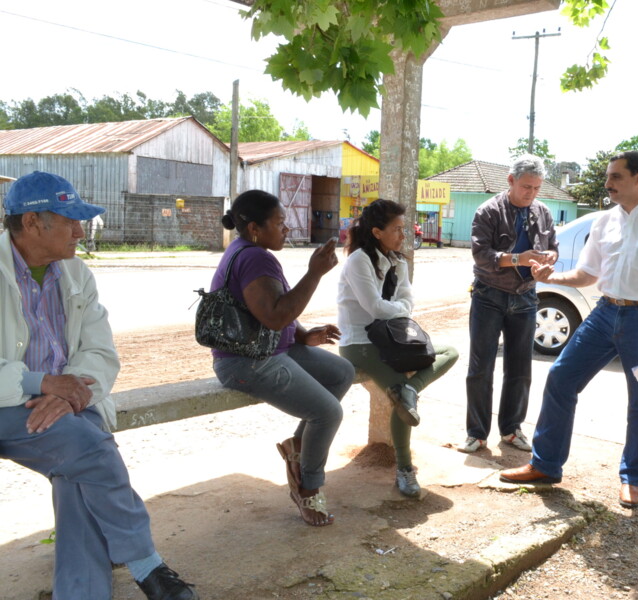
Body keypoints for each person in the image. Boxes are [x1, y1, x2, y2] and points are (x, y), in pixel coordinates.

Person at [0, 171, 197, 600]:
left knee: (77, 474)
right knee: (89, 448)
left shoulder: (76, 273)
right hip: (7, 405)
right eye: (69, 219)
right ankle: (148, 566)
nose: (79, 230)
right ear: (32, 223)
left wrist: (67, 394)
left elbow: (101, 353)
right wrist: (42, 382)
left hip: (62, 405)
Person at [500, 151, 638, 509]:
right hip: (605, 312)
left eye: (616, 177)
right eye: (609, 177)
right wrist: (553, 277)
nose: (608, 184)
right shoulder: (605, 221)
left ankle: (635, 478)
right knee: (561, 377)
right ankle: (546, 465)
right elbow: (588, 275)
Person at [209, 189, 355, 527]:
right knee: (327, 412)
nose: (286, 228)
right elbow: (274, 316)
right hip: (245, 361)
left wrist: (301, 335)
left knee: (341, 372)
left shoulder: (246, 250)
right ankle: (307, 486)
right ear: (256, 228)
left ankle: (298, 450)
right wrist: (315, 273)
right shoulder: (255, 257)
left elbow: (266, 306)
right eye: (279, 223)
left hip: (271, 348)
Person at [336, 199, 459, 497]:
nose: (404, 235)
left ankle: (410, 389)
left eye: (404, 229)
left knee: (449, 352)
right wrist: (400, 308)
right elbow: (376, 308)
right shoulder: (359, 261)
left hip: (390, 338)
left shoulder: (396, 260)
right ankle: (404, 470)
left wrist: (400, 308)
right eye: (398, 229)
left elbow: (407, 300)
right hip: (360, 342)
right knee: (402, 403)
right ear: (377, 232)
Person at [459, 154, 559, 454]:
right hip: (489, 295)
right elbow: (481, 256)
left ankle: (512, 429)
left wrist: (549, 259)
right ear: (511, 181)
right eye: (527, 186)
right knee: (481, 367)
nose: (531, 193)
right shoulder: (488, 211)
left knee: (520, 368)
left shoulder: (542, 212)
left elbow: (552, 246)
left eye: (537, 188)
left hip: (526, 296)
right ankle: (476, 434)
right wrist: (519, 258)